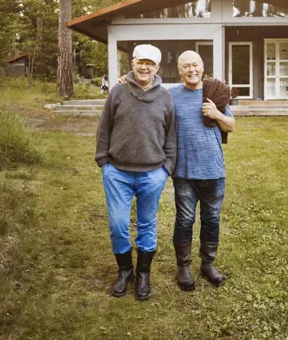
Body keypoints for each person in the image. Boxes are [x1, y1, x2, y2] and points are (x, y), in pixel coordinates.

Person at [95, 44, 176, 301]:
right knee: (118, 224)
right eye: (141, 62)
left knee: (146, 224)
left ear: (157, 68)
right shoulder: (117, 92)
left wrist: (167, 168)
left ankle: (143, 275)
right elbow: (104, 127)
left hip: (152, 173)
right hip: (117, 172)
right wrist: (103, 161)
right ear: (132, 63)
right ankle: (125, 271)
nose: (144, 67)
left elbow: (171, 134)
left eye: (150, 63)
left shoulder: (165, 96)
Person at [170, 51, 235, 291]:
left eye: (195, 65)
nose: (191, 69)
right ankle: (184, 267)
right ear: (179, 70)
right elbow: (147, 88)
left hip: (214, 171)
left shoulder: (214, 93)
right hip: (184, 172)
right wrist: (126, 77)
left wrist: (216, 114)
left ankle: (208, 265)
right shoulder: (171, 96)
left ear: (202, 66)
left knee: (212, 220)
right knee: (185, 220)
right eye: (186, 66)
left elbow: (232, 125)